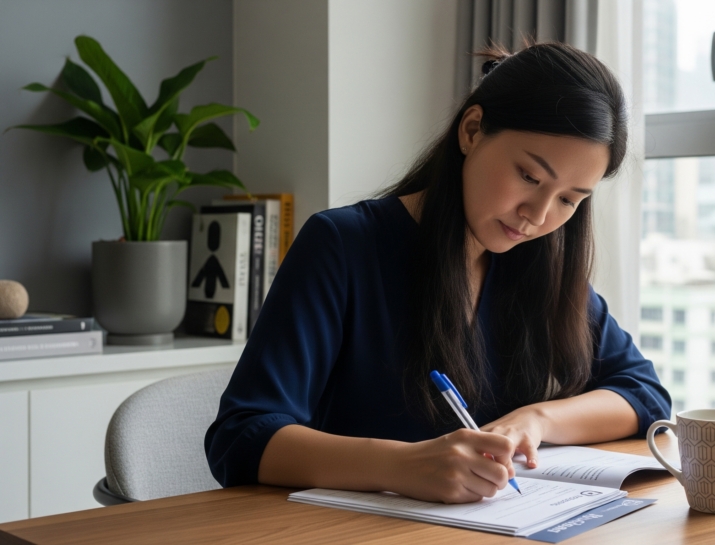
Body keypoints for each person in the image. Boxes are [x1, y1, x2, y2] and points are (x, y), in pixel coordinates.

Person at [205, 42, 671, 504]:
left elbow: (644, 394)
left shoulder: (539, 263)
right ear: (472, 131)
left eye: (569, 199)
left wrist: (536, 420)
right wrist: (403, 466)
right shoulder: (343, 245)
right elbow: (241, 437)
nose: (538, 215)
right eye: (529, 177)